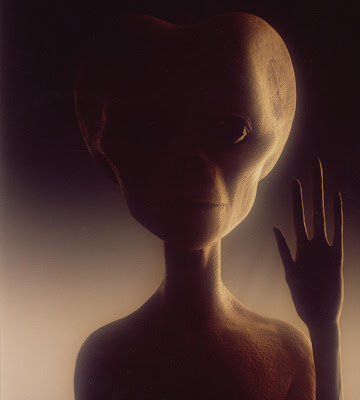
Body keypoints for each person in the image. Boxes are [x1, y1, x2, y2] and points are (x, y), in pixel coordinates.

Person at [74, 12, 343, 399]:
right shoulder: (106, 356)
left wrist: (324, 327)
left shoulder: (108, 354)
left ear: (271, 145)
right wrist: (323, 329)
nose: (189, 163)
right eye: (150, 130)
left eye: (230, 130)